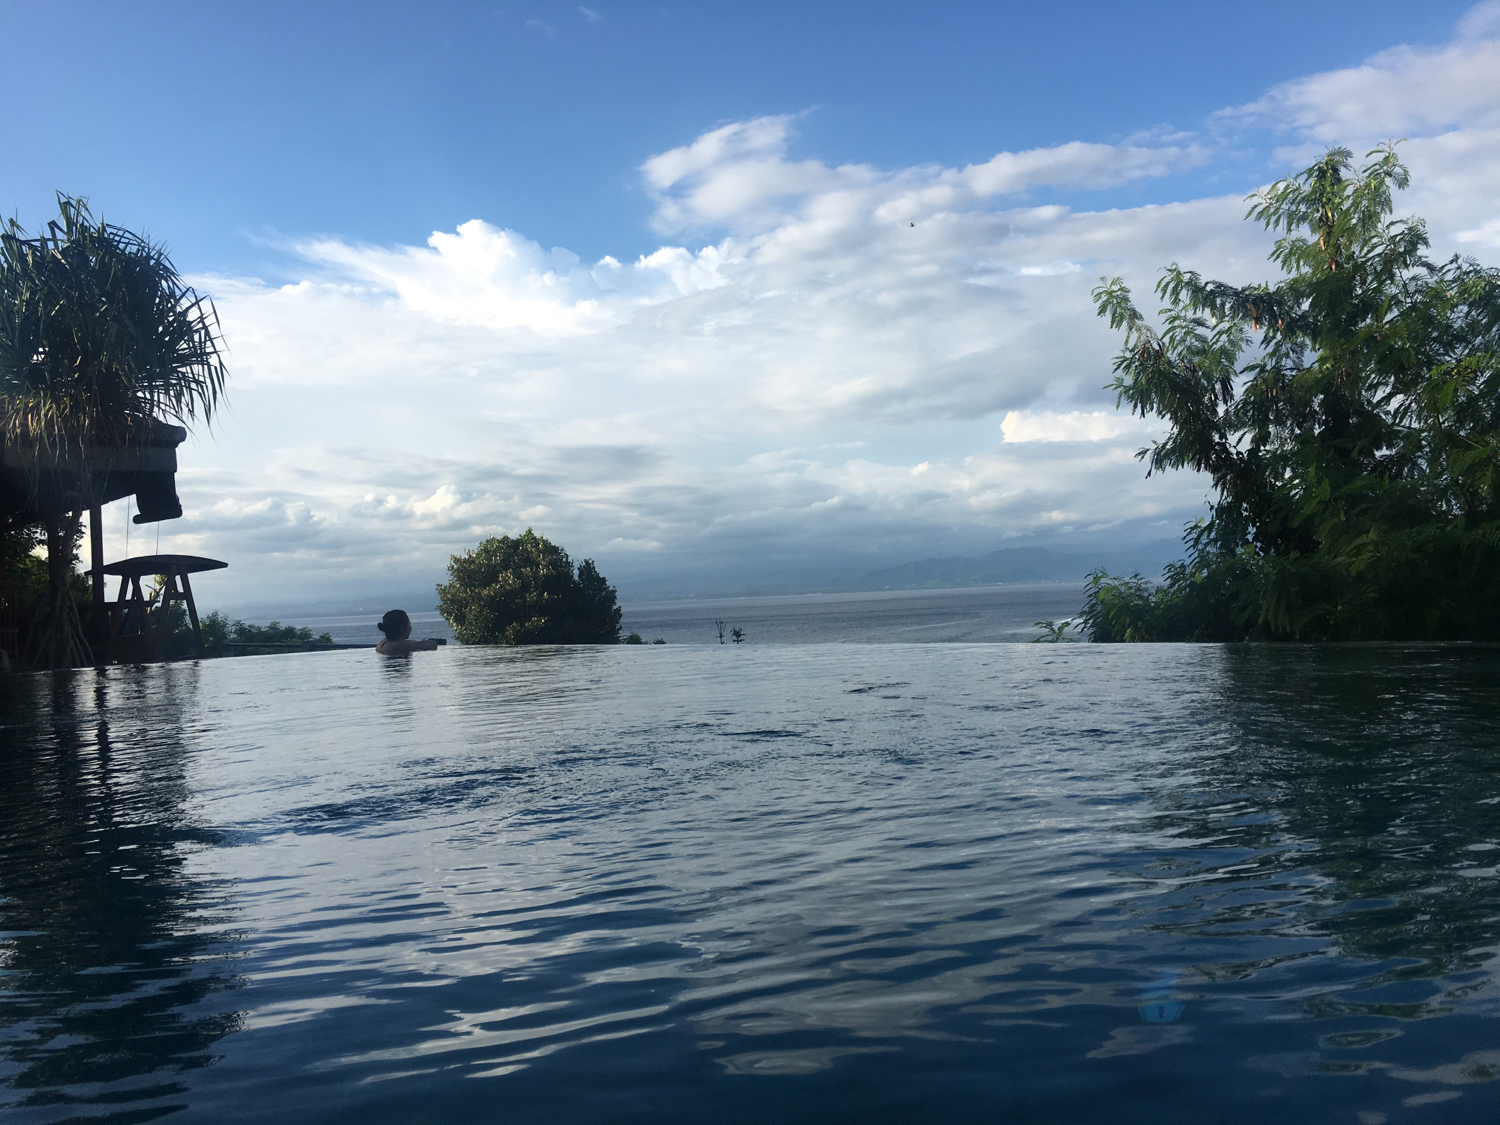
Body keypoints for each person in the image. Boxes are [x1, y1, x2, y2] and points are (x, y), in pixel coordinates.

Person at [375, 609, 440, 654]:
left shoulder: (381, 644)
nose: (410, 628)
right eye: (409, 624)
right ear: (402, 629)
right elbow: (432, 645)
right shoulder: (401, 645)